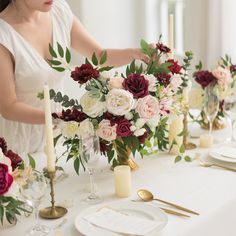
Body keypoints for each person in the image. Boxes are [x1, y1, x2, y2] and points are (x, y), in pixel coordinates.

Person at [0, 0, 149, 154]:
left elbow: (99, 55)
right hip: (20, 146)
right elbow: (9, 107)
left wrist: (135, 53)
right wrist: (59, 117)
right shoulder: (3, 34)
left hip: (61, 140)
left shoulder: (59, 12)